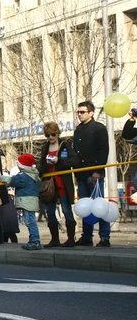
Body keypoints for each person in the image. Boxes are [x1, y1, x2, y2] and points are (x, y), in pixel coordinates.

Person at [73, 100, 111, 247]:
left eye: (82, 112)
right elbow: (77, 152)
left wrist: (98, 171)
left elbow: (103, 151)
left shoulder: (99, 128)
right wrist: (76, 173)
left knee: (99, 206)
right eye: (78, 112)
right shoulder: (78, 130)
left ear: (91, 113)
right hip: (81, 174)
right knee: (85, 206)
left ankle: (105, 237)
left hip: (94, 173)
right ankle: (87, 236)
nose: (80, 114)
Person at [38, 122, 79, 247]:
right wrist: (42, 167)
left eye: (53, 134)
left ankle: (70, 239)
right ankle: (54, 239)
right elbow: (41, 164)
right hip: (49, 184)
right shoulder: (45, 147)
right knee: (50, 212)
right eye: (48, 135)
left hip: (62, 183)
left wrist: (58, 161)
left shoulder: (65, 145)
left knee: (66, 210)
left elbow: (75, 160)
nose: (50, 137)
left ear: (57, 133)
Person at [0, 153, 42, 250]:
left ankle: (35, 240)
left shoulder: (23, 176)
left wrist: (0, 178)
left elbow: (12, 180)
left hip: (26, 201)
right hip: (32, 200)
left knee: (30, 222)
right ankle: (33, 239)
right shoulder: (34, 175)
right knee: (30, 221)